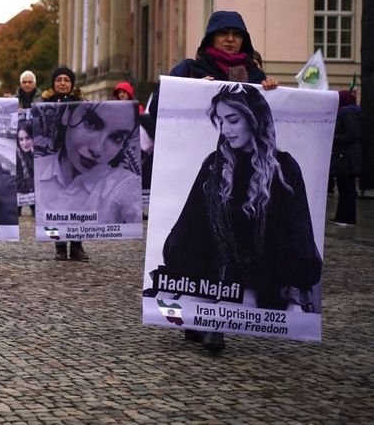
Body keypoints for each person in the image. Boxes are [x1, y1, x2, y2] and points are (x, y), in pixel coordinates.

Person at [163, 84, 321, 352]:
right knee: (186, 301)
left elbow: (298, 230)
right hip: (216, 272)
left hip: (264, 278)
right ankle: (207, 322)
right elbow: (190, 224)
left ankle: (214, 322)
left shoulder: (285, 168)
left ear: (254, 119)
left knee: (240, 302)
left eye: (233, 120)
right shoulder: (215, 164)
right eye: (221, 121)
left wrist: (297, 280)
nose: (225, 130)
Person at [35, 101, 141, 225]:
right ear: (67, 114)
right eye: (92, 123)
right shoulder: (35, 171)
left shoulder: (124, 185)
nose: (97, 148)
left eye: (116, 137)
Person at [39, 67, 88, 262]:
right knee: (51, 205)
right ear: (53, 84)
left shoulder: (82, 105)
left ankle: (77, 245)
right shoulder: (44, 105)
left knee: (77, 204)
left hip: (75, 162)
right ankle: (58, 245)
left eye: (66, 80)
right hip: (51, 161)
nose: (62, 83)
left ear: (72, 83)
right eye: (58, 79)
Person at [331, 90, 361, 225]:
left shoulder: (347, 114)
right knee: (344, 188)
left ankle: (347, 218)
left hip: (347, 158)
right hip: (347, 157)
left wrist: (333, 137)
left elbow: (352, 134)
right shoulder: (349, 113)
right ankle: (341, 217)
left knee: (347, 189)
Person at [16, 119, 35, 215]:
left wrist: (33, 154)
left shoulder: (35, 153)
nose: (24, 143)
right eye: (21, 139)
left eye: (28, 138)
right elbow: (17, 181)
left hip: (33, 196)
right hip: (20, 195)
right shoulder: (17, 155)